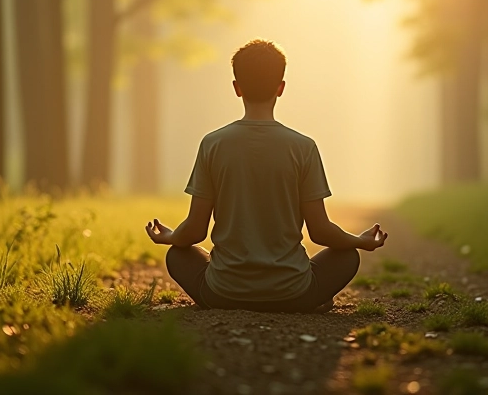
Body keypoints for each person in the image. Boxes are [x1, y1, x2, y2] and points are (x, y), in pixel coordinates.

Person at [145, 39, 388, 313]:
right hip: (292, 292)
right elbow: (320, 231)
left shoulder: (212, 144)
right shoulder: (303, 147)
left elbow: (195, 230)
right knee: (347, 257)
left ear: (237, 88)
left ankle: (224, 297)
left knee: (178, 253)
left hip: (223, 292)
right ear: (281, 87)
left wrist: (170, 236)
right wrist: (360, 241)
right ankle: (309, 298)